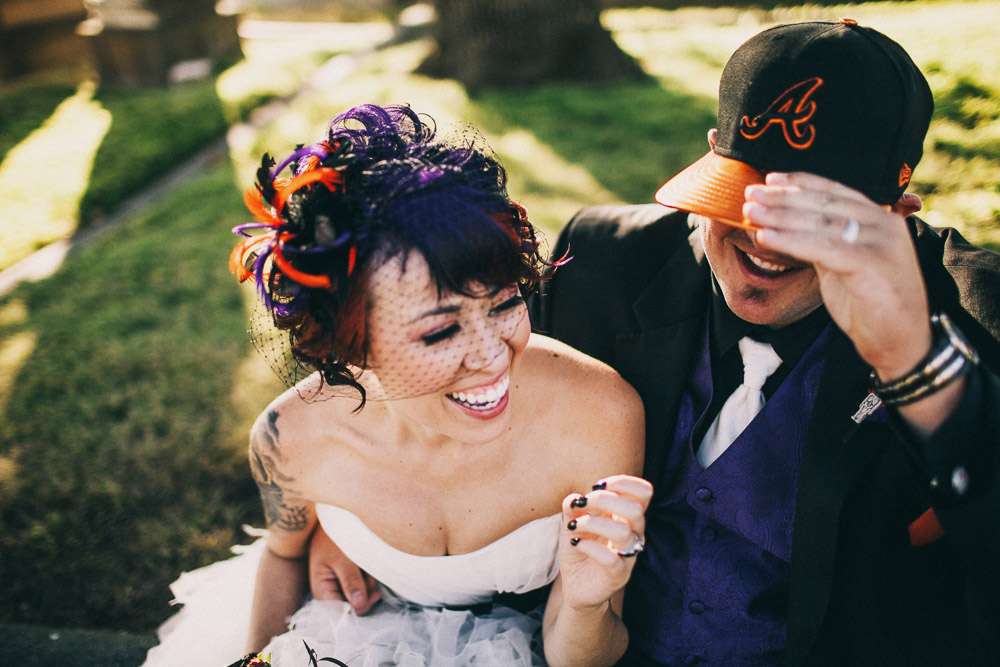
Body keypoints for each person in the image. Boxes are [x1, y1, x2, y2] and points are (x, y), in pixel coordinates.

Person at [309, 21, 1000, 667]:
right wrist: (353, 508)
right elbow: (455, 385)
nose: (761, 240)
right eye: (744, 195)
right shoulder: (602, 261)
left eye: (809, 217)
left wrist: (915, 363)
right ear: (711, 155)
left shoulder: (975, 316)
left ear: (897, 213)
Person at [143, 104, 652, 667]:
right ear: (345, 343)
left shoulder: (599, 413)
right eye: (439, 333)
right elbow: (283, 558)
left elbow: (583, 656)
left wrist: (585, 605)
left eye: (506, 303)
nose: (493, 357)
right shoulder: (288, 439)